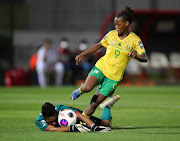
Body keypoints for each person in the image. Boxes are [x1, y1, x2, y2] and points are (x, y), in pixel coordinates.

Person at [71, 6, 148, 117]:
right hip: (101, 67)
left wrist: (136, 57)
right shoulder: (111, 34)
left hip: (114, 77)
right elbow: (99, 45)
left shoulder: (135, 40)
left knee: (94, 103)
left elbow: (144, 57)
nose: (116, 27)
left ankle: (80, 120)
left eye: (119, 25)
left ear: (126, 23)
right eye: (115, 24)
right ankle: (81, 89)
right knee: (87, 88)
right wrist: (83, 54)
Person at [35, 102, 112, 132]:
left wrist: (94, 127)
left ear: (56, 113)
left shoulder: (61, 109)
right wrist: (73, 128)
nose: (54, 123)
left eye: (55, 119)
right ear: (44, 118)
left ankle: (106, 107)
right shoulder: (39, 120)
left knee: (107, 124)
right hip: (72, 125)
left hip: (77, 118)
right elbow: (53, 129)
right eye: (50, 122)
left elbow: (80, 116)